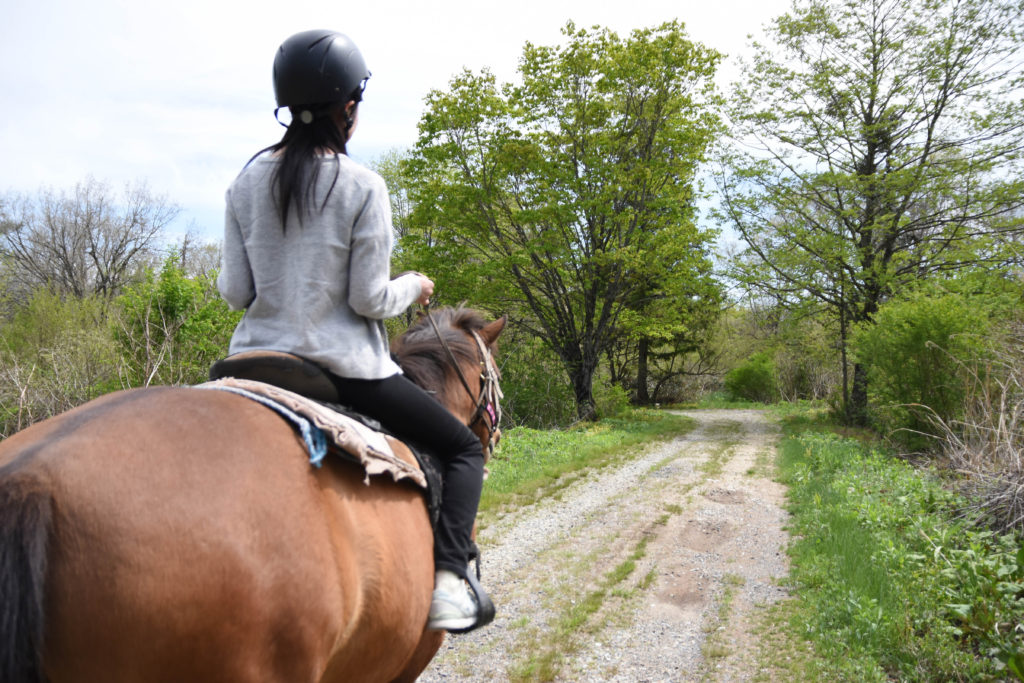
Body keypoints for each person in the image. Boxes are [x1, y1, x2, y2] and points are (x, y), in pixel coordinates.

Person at [217, 29, 492, 633]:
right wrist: (414, 285)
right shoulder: (363, 185)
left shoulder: (244, 183)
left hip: (251, 362)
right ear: (347, 107)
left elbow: (235, 293)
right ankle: (449, 580)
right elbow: (370, 299)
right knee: (463, 448)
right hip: (342, 369)